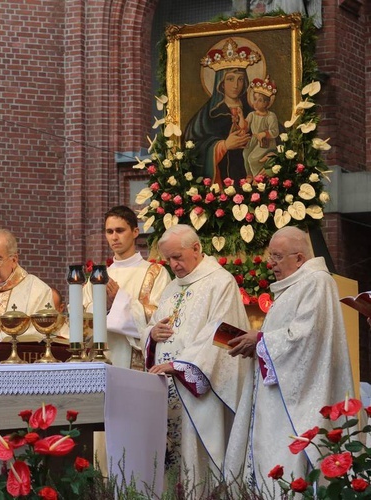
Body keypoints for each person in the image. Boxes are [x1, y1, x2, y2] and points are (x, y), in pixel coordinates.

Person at [225, 226, 354, 487]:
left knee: (287, 465)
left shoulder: (317, 282)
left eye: (278, 257)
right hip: (278, 392)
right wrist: (257, 342)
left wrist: (260, 340)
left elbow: (306, 336)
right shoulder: (294, 286)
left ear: (299, 258)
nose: (271, 264)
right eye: (271, 256)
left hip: (298, 398)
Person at [144, 224, 251, 490]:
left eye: (177, 257)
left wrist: (180, 365)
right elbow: (155, 324)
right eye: (168, 259)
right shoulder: (170, 288)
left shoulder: (220, 282)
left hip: (199, 388)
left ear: (196, 248)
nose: (173, 265)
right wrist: (151, 333)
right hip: (167, 389)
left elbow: (225, 335)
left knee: (197, 464)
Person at [83, 206, 171, 369]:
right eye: (109, 232)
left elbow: (161, 316)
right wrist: (106, 307)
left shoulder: (155, 273)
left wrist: (120, 299)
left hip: (137, 363)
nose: (114, 237)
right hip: (99, 362)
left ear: (135, 232)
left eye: (120, 230)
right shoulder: (98, 277)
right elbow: (81, 320)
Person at [184, 38, 260, 183]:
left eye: (240, 79)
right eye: (230, 79)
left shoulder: (253, 111)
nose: (236, 85)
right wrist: (223, 146)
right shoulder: (207, 114)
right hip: (220, 184)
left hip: (251, 181)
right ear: (221, 83)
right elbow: (192, 148)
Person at [242, 77, 279, 178]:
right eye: (255, 99)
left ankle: (257, 177)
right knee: (246, 154)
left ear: (267, 103)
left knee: (253, 158)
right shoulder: (252, 115)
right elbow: (245, 127)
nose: (256, 102)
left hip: (266, 143)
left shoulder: (271, 116)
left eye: (260, 100)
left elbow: (275, 132)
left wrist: (264, 134)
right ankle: (249, 175)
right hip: (254, 140)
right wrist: (241, 116)